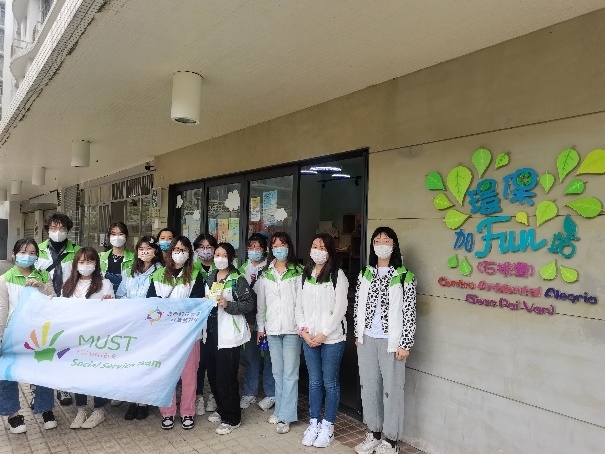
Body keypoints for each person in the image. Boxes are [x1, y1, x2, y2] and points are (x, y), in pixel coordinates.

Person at [353, 227, 417, 454]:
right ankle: (373, 433)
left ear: (394, 245)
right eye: (377, 240)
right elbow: (357, 306)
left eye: (386, 240)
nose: (381, 244)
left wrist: (405, 343)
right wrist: (358, 334)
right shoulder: (364, 274)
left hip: (392, 342)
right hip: (367, 338)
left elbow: (409, 312)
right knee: (369, 387)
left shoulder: (403, 276)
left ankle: (390, 440)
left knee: (392, 390)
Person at [147, 236, 206, 431]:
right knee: (167, 375)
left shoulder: (197, 274)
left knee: (189, 376)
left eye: (183, 250)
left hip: (189, 335)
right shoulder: (158, 275)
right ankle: (168, 412)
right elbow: (150, 305)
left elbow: (197, 304)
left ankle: (188, 412)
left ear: (189, 253)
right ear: (170, 252)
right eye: (176, 249)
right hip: (165, 336)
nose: (179, 253)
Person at [0, 238, 58, 433]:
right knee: (8, 374)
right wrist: (0, 337)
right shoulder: (5, 278)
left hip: (39, 334)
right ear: (14, 255)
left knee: (43, 372)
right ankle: (13, 415)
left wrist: (41, 287)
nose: (28, 256)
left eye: (32, 253)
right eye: (23, 252)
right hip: (12, 334)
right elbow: (2, 310)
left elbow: (53, 300)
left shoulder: (43, 275)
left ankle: (46, 410)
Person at [296, 233, 348, 448]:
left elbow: (340, 308)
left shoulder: (338, 275)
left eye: (322, 247)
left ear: (330, 251)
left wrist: (324, 333)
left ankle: (328, 426)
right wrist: (304, 331)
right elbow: (298, 306)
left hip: (332, 338)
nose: (317, 250)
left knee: (330, 382)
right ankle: (314, 422)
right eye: (314, 246)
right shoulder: (304, 274)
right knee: (314, 382)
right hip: (309, 338)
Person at [203, 242, 254, 435]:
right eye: (217, 254)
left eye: (224, 255)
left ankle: (232, 418)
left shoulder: (237, 279)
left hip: (229, 334)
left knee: (227, 377)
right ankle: (221, 408)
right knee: (214, 376)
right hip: (211, 333)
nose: (219, 258)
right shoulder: (211, 277)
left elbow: (249, 304)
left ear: (231, 258)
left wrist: (228, 304)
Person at [62, 247, 115, 429]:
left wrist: (110, 304)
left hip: (97, 338)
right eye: (82, 262)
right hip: (75, 337)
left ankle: (99, 409)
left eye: (90, 262)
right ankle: (81, 409)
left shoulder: (105, 284)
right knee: (78, 373)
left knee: (96, 372)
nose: (86, 265)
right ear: (75, 264)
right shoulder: (68, 285)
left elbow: (112, 311)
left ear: (96, 264)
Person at [256, 232, 303, 434]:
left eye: (282, 244)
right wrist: (260, 328)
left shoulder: (298, 271)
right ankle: (280, 410)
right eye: (275, 245)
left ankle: (287, 416)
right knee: (277, 372)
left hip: (293, 330)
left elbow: (302, 303)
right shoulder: (266, 273)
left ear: (289, 246)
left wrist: (302, 326)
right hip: (272, 329)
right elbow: (261, 304)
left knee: (290, 374)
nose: (278, 248)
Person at [35, 213, 81, 406]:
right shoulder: (37, 250)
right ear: (47, 229)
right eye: (53, 228)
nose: (58, 232)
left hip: (69, 306)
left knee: (65, 347)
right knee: (43, 347)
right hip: (44, 305)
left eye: (62, 228)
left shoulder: (77, 251)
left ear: (68, 230)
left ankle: (63, 388)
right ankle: (39, 391)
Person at [115, 235, 163, 421]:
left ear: (155, 251)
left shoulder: (161, 271)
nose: (145, 252)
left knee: (146, 364)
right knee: (131, 364)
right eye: (141, 248)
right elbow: (121, 295)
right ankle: (132, 401)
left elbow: (160, 300)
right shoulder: (129, 270)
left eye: (149, 248)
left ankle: (144, 402)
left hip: (150, 325)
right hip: (131, 324)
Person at [238, 233, 275, 412]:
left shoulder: (270, 269)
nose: (254, 251)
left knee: (269, 359)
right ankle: (249, 392)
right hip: (248, 322)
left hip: (267, 322)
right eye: (251, 247)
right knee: (251, 357)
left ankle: (270, 393)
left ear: (265, 249)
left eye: (258, 247)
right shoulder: (241, 269)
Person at [192, 233, 218, 415]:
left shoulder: (223, 266)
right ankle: (198, 396)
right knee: (198, 363)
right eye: (202, 247)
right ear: (195, 250)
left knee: (215, 361)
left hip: (218, 322)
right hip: (196, 324)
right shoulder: (192, 269)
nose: (206, 250)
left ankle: (215, 396)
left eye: (209, 247)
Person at [100, 222, 134, 295]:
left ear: (126, 236)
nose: (117, 237)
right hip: (104, 298)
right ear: (109, 236)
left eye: (121, 234)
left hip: (125, 299)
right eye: (113, 234)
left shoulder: (134, 259)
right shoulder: (100, 257)